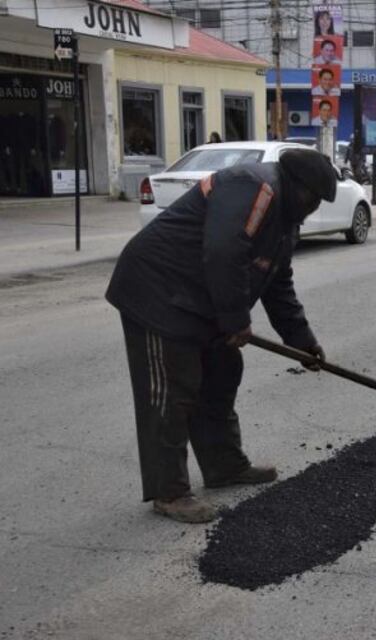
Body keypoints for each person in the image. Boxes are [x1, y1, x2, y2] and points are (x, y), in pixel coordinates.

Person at [105, 149, 337, 523]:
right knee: (172, 391)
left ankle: (224, 466)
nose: (312, 209)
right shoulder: (255, 187)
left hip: (201, 298)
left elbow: (277, 284)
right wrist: (235, 320)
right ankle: (169, 491)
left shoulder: (285, 219)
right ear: (297, 186)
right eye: (312, 199)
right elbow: (224, 251)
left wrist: (302, 342)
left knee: (223, 372)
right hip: (157, 291)